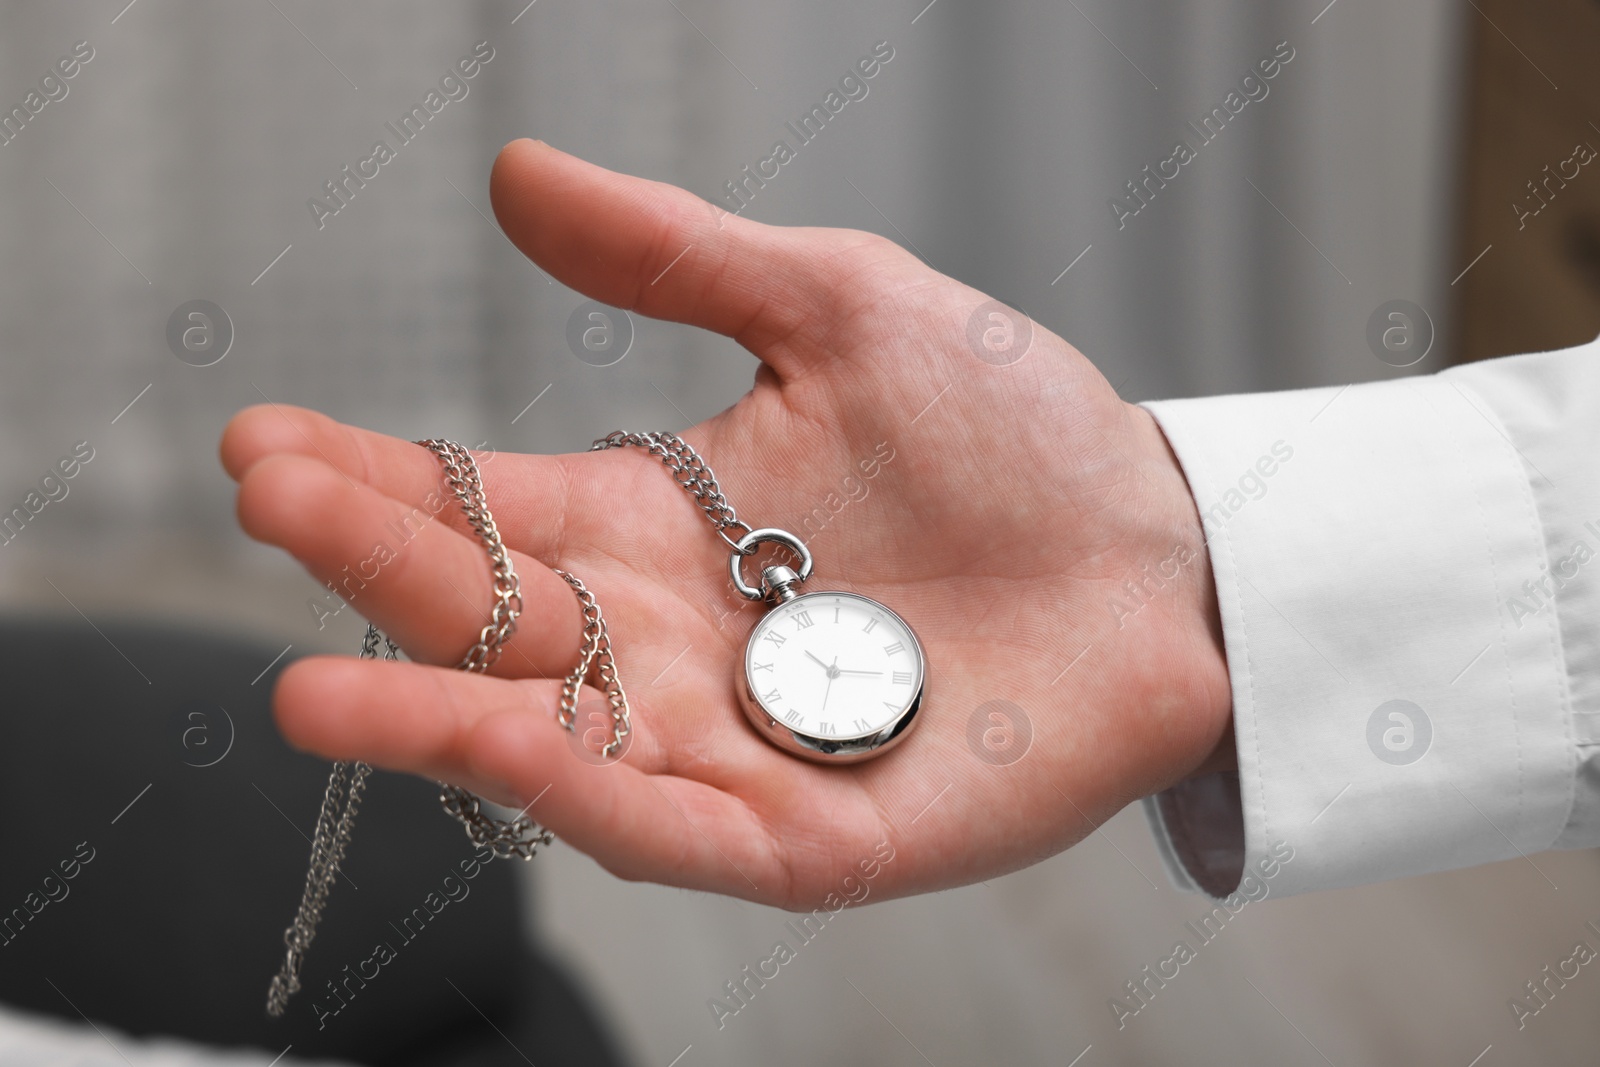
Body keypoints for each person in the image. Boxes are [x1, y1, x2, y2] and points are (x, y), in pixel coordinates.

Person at [221, 139, 1600, 907]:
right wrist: (1187, 559)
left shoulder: (798, 614)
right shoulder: (807, 617)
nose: (819, 657)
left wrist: (1174, 564)